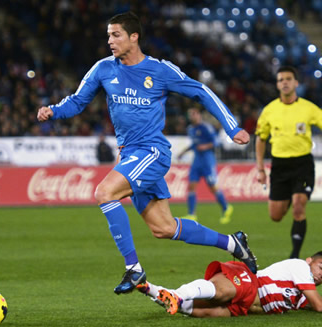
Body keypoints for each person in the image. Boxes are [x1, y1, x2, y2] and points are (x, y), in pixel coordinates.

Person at [37, 12, 253, 295]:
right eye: (108, 35)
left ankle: (134, 269)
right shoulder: (103, 69)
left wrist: (231, 126)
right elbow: (77, 101)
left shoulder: (160, 71)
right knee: (163, 228)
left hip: (152, 152)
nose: (110, 41)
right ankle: (233, 244)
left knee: (104, 193)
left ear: (133, 37)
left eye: (116, 35)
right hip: (130, 156)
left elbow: (201, 92)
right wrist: (54, 110)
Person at [137, 248, 322, 317]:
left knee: (199, 312)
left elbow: (321, 302)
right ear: (310, 260)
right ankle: (177, 295)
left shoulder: (303, 295)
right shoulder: (301, 268)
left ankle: (148, 288)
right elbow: (321, 305)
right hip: (248, 283)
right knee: (222, 292)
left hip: (244, 306)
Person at [255, 66, 322, 259]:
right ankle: (293, 197)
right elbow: (260, 139)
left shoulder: (309, 108)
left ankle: (295, 255)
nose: (284, 82)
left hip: (302, 165)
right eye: (281, 79)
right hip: (280, 166)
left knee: (299, 207)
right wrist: (260, 169)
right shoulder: (269, 110)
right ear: (277, 84)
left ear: (296, 83)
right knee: (275, 216)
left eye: (288, 79)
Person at [177, 107, 233, 224]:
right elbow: (194, 144)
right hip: (197, 162)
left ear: (199, 115)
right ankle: (192, 214)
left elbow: (216, 142)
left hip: (208, 161)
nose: (192, 116)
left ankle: (226, 208)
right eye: (190, 114)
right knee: (191, 186)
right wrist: (183, 152)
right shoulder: (190, 129)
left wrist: (205, 146)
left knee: (213, 187)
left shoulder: (206, 127)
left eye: (193, 114)